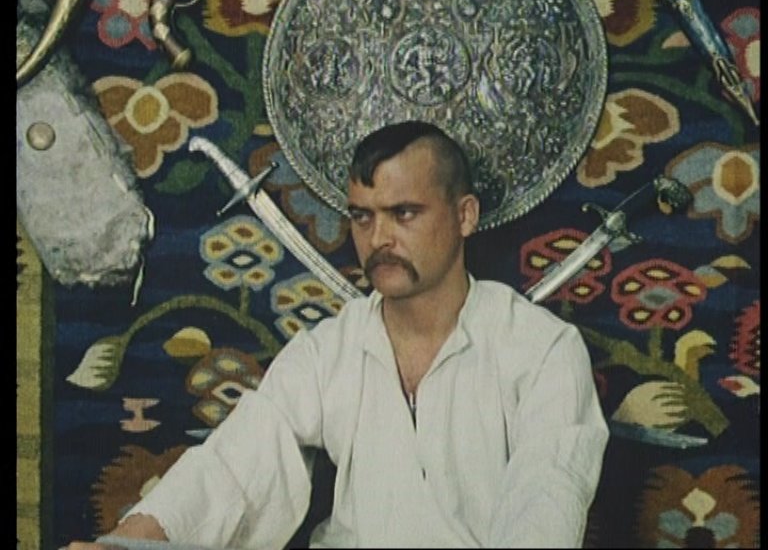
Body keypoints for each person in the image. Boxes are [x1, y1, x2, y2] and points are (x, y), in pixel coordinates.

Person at [67, 121, 609, 549]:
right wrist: (126, 544)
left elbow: (548, 496)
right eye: (362, 217)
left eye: (403, 213)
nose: (379, 238)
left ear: (465, 215)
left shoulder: (542, 349)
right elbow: (233, 466)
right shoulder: (328, 351)